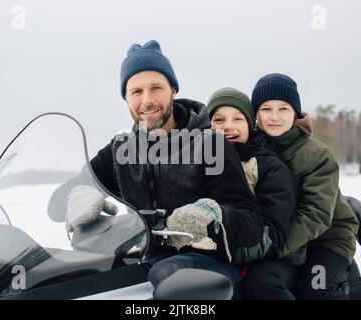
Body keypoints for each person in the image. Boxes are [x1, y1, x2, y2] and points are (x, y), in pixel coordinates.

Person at [49, 40, 263, 298]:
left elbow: (251, 223)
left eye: (156, 88)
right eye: (136, 91)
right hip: (144, 262)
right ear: (126, 98)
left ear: (173, 90)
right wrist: (77, 197)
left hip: (210, 272)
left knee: (168, 273)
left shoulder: (210, 143)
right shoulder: (120, 151)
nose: (146, 100)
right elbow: (55, 206)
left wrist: (213, 215)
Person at [250, 73, 360, 299]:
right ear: (256, 114)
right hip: (280, 242)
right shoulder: (249, 149)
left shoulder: (317, 155)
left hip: (326, 241)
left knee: (315, 289)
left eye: (283, 109)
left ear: (296, 113)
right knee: (259, 285)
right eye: (266, 109)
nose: (274, 117)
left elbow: (316, 213)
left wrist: (272, 247)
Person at [206, 87, 298, 299]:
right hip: (217, 256)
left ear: (250, 125)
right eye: (218, 120)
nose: (228, 126)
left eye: (238, 119)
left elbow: (275, 230)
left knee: (262, 287)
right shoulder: (200, 162)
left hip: (266, 255)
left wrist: (226, 250)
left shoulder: (269, 166)